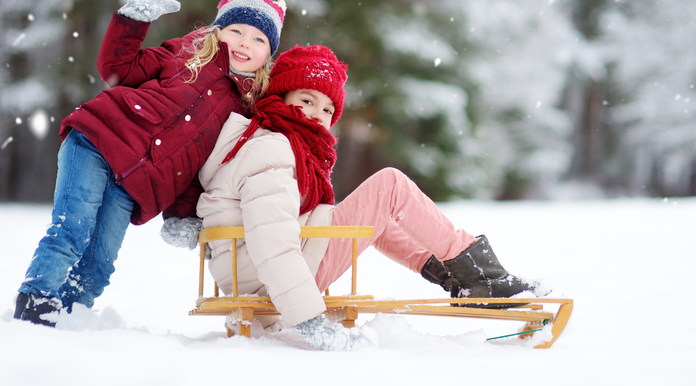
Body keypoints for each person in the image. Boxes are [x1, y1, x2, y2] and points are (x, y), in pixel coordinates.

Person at [194, 45, 549, 350]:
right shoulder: (272, 148)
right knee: (390, 185)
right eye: (307, 100)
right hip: (265, 276)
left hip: (262, 270)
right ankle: (479, 276)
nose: (318, 114)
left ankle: (454, 275)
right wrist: (308, 319)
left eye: (328, 109)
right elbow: (273, 245)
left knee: (378, 210)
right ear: (281, 97)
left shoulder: (280, 144)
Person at [13, 0, 289, 327]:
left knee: (99, 264)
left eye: (258, 39)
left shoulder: (244, 112)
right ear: (218, 29)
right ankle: (34, 304)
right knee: (72, 229)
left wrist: (182, 214)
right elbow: (116, 69)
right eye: (236, 30)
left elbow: (201, 169)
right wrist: (137, 16)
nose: (244, 43)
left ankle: (67, 319)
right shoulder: (185, 52)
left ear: (269, 52)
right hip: (97, 142)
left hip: (136, 185)